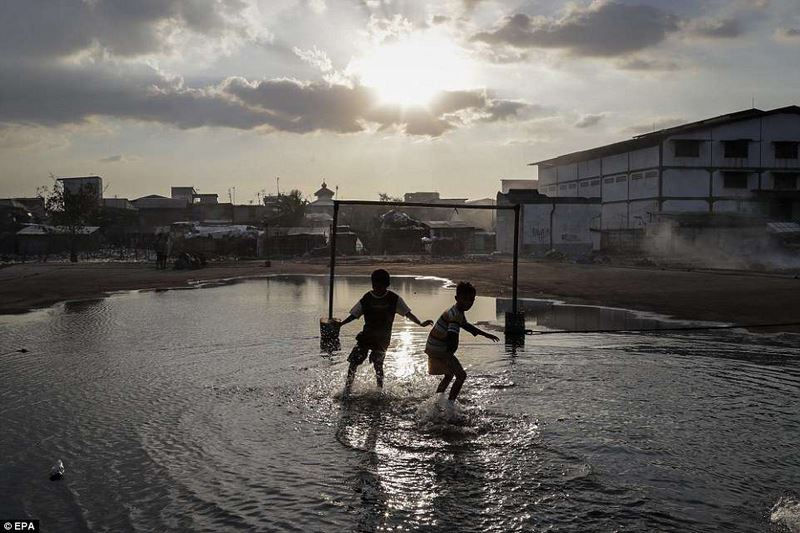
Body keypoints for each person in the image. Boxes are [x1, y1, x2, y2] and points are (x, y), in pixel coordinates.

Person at [335, 269, 432, 396]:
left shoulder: (394, 299)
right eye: (375, 286)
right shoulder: (367, 298)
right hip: (366, 337)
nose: (377, 288)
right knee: (353, 363)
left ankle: (379, 390)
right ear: (372, 285)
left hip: (382, 340)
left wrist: (420, 323)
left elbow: (408, 314)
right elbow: (354, 315)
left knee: (378, 365)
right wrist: (341, 324)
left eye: (380, 286)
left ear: (386, 285)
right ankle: (347, 390)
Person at [425, 281, 499, 406]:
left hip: (433, 346)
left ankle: (436, 402)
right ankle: (450, 404)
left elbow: (466, 326)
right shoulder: (455, 315)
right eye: (465, 299)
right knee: (461, 376)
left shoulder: (456, 311)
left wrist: (485, 334)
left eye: (471, 300)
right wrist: (450, 356)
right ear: (457, 298)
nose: (468, 303)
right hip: (441, 348)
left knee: (449, 375)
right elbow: (452, 337)